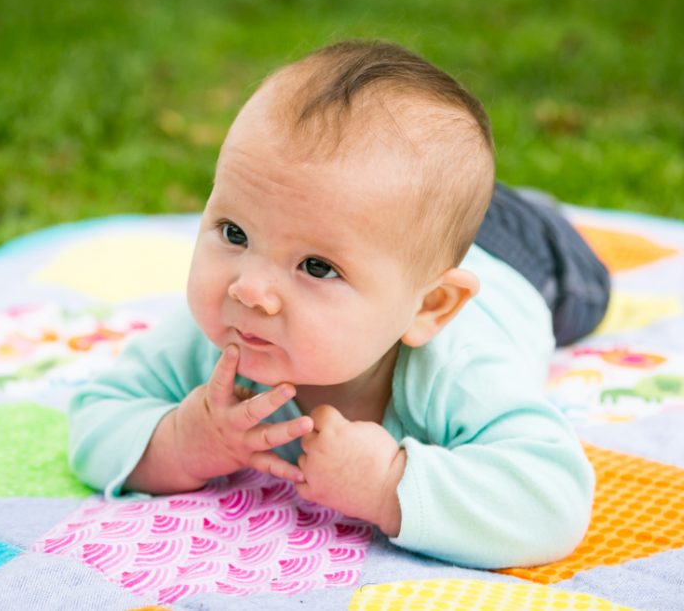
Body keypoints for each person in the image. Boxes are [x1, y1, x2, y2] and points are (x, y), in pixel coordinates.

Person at [69, 40, 610, 569]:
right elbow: (97, 415)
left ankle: (532, 210)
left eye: (317, 267)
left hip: (522, 260)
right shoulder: (220, 335)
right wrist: (185, 441)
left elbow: (552, 499)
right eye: (234, 232)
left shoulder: (459, 369)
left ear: (430, 308)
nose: (249, 289)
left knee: (588, 291)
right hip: (385, 227)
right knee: (415, 214)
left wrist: (389, 484)